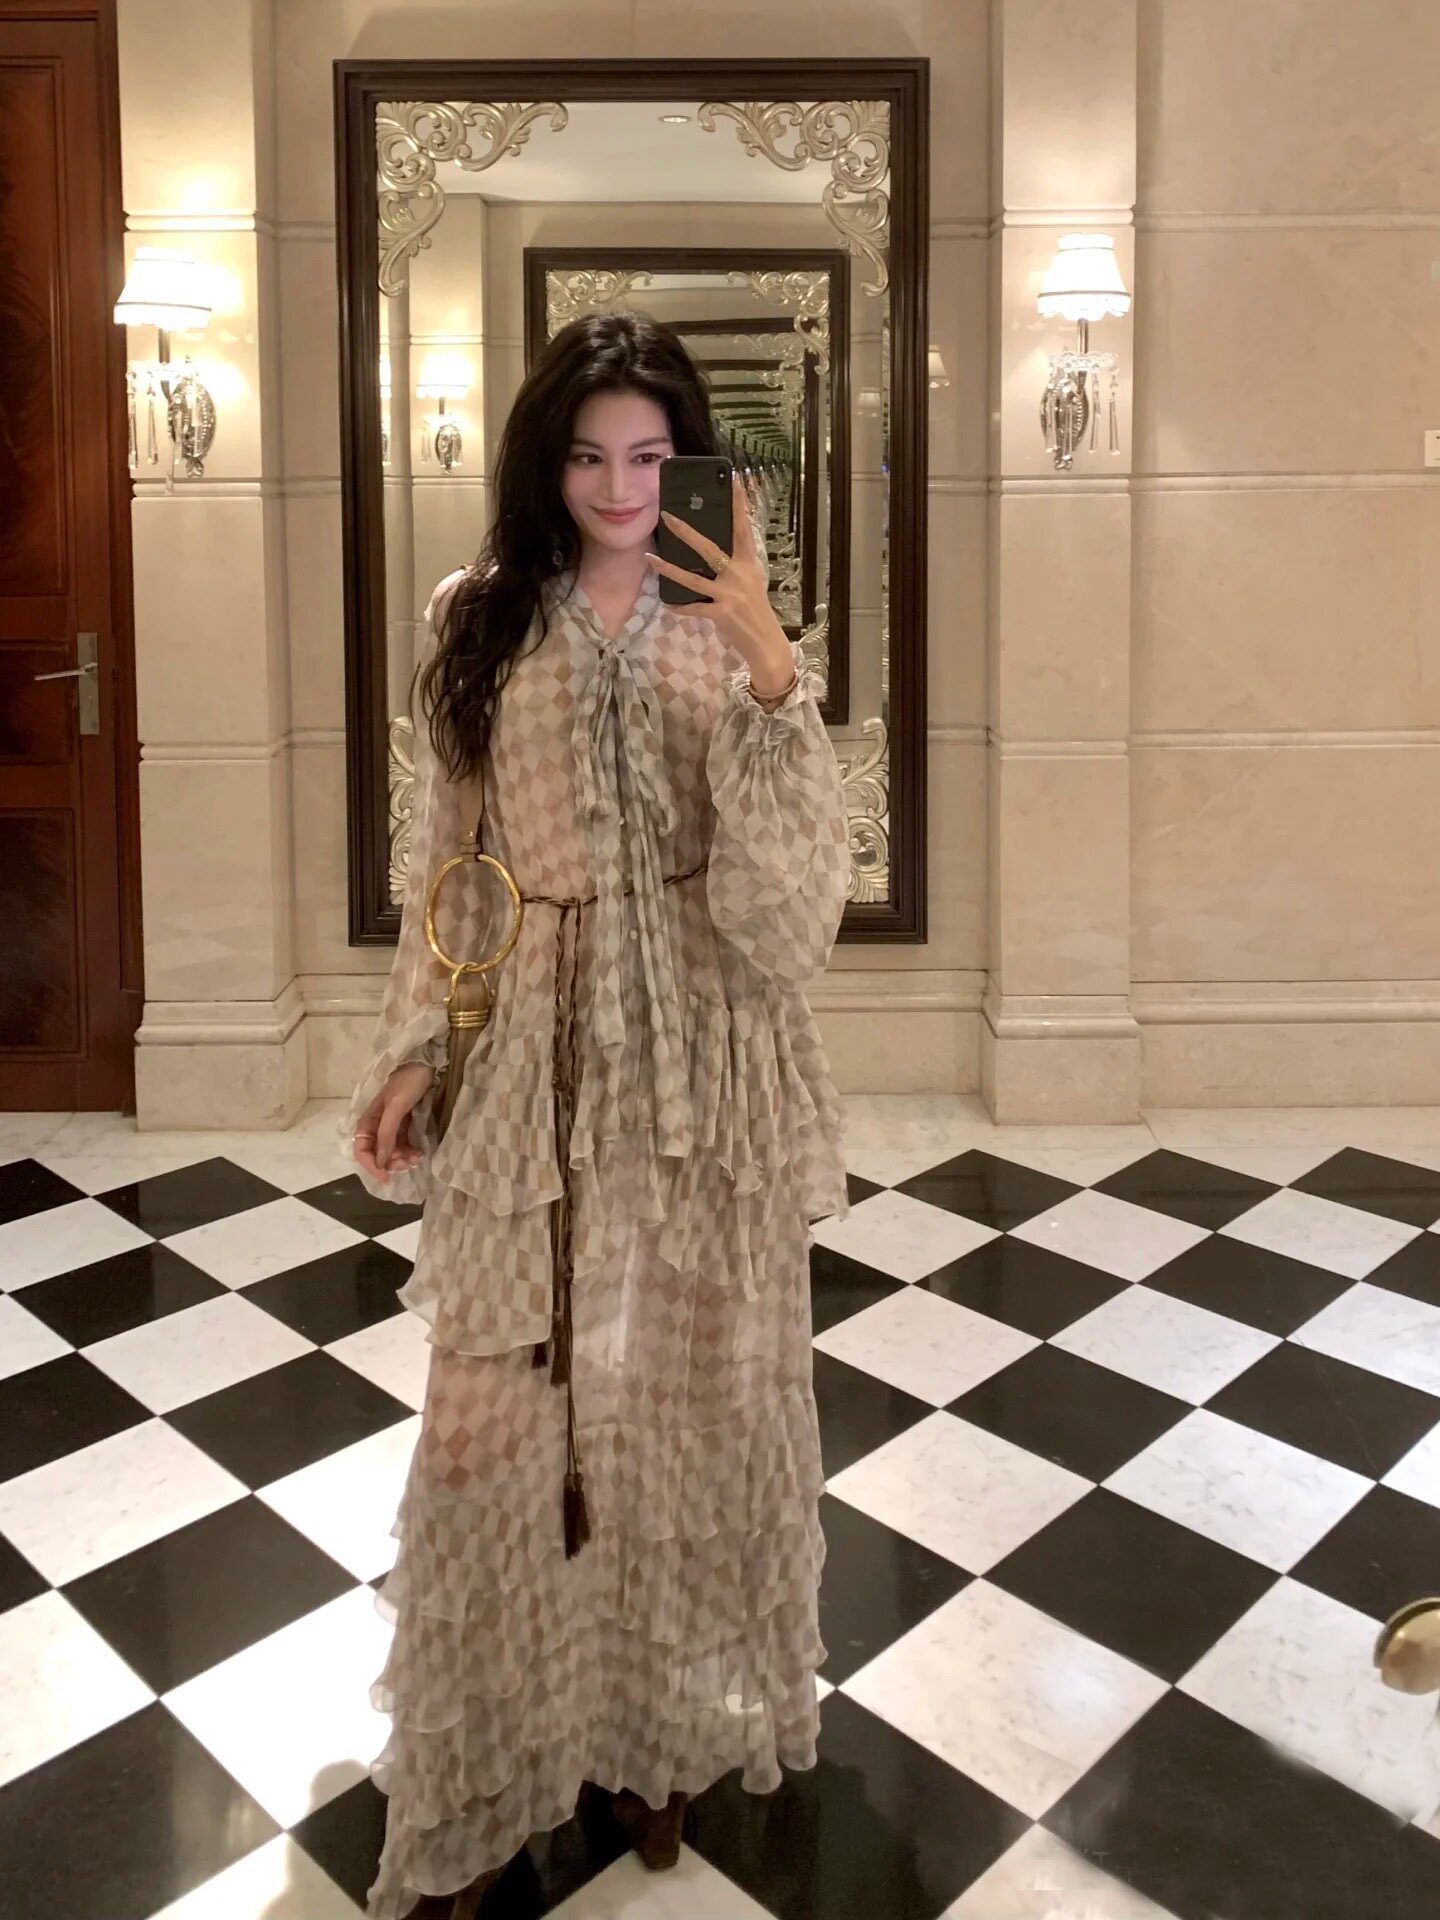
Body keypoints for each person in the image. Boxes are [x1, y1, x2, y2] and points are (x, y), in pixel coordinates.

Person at [337, 311, 853, 1919]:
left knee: (688, 1406)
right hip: (537, 1045)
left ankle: (651, 1739)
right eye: (585, 455)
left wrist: (769, 656)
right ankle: (487, 1773)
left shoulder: (731, 619)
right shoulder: (479, 616)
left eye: (649, 456)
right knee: (495, 1415)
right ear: (540, 462)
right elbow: (453, 858)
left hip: (708, 1054)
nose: (622, 488)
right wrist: (421, 1048)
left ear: (693, 463)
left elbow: (792, 907)